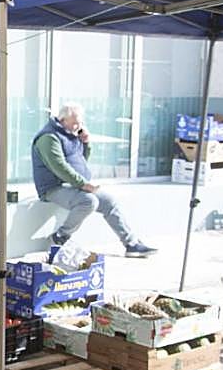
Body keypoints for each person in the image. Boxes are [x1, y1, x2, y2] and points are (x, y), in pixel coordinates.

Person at [31, 103, 157, 257]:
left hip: (73, 185)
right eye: (75, 123)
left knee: (109, 201)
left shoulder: (70, 134)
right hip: (53, 188)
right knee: (88, 201)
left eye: (80, 123)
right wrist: (83, 184)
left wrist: (85, 143)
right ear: (63, 120)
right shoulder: (48, 138)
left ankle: (131, 244)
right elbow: (59, 167)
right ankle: (60, 236)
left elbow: (80, 160)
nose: (79, 126)